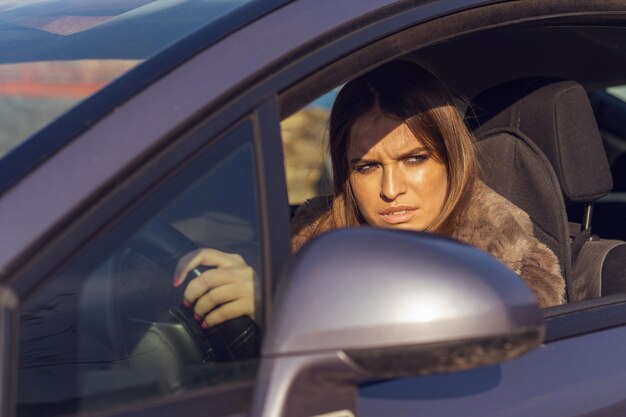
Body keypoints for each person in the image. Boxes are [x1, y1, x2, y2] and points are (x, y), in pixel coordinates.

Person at [174, 60, 565, 329]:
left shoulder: (516, 270)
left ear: (453, 161)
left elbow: (456, 363)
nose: (390, 190)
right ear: (345, 172)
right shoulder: (303, 254)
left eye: (414, 159)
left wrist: (288, 307)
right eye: (367, 166)